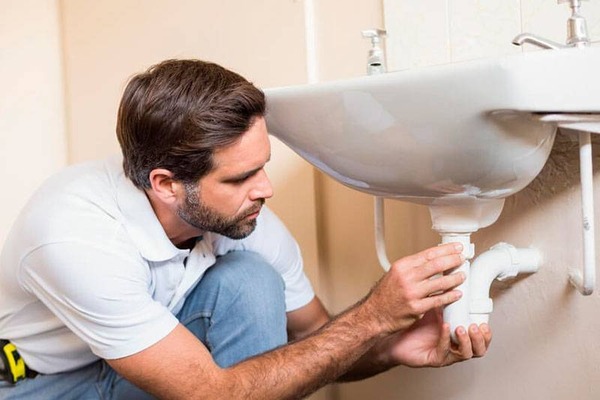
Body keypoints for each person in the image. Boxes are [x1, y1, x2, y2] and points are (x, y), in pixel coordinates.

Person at [0, 59, 491, 399]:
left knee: (250, 279)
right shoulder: (75, 237)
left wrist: (388, 347)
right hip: (40, 384)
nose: (266, 189)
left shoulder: (245, 218)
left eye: (262, 166)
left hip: (144, 368)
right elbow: (212, 393)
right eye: (239, 178)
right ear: (166, 184)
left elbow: (316, 339)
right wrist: (373, 317)